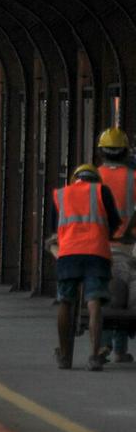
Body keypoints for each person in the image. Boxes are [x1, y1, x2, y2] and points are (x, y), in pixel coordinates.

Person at [53, 163, 122, 371]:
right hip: (96, 253)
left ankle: (65, 357)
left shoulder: (61, 194)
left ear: (76, 179)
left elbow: (54, 228)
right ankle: (93, 356)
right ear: (95, 179)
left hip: (68, 254)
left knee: (65, 301)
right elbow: (114, 223)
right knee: (94, 302)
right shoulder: (102, 191)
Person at [96, 127, 136, 362]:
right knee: (126, 290)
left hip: (99, 245)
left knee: (107, 291)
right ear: (124, 152)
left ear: (101, 152)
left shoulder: (92, 178)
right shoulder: (133, 178)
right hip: (128, 246)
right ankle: (120, 349)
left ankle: (104, 344)